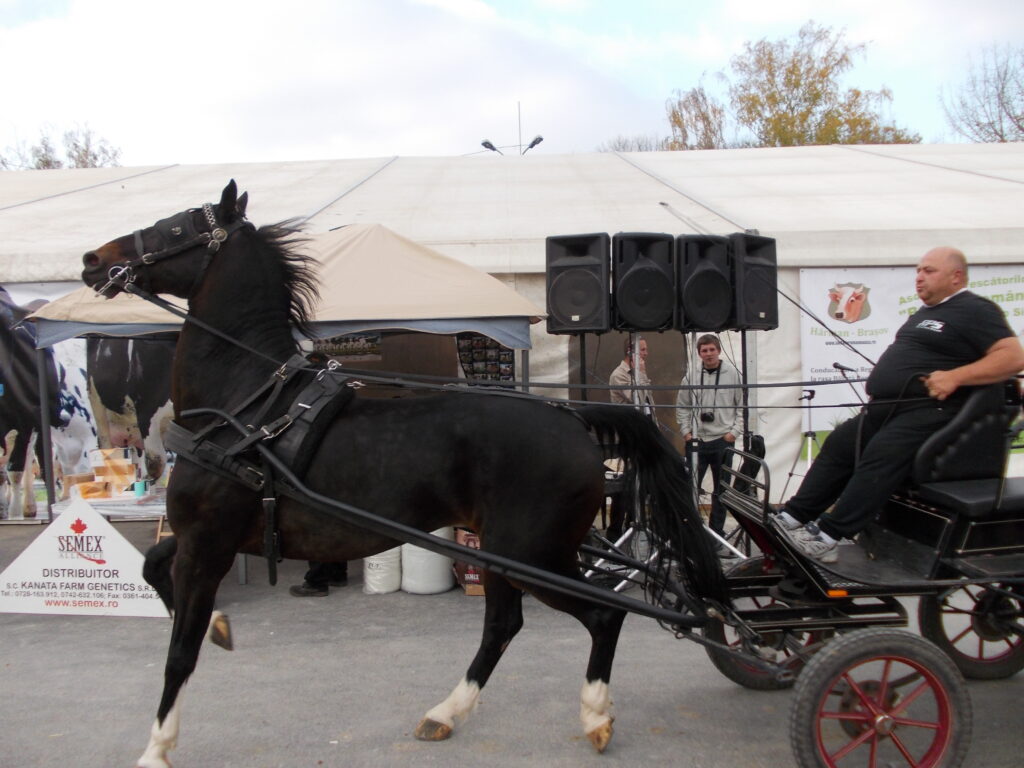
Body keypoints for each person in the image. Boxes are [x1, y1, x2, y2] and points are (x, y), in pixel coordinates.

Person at [774, 247, 1024, 563]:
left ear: (956, 276)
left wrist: (956, 376)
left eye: (929, 271)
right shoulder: (925, 313)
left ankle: (829, 536)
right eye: (918, 270)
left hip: (930, 410)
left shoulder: (975, 309)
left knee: (880, 456)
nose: (919, 277)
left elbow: (1013, 356)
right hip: (889, 407)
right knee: (840, 443)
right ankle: (792, 517)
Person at [675, 334, 742, 548]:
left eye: (712, 349)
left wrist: (733, 433)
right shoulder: (691, 375)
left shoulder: (733, 373)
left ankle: (716, 533)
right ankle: (691, 531)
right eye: (704, 350)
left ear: (719, 350)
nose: (709, 354)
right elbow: (682, 406)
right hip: (697, 440)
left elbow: (742, 406)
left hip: (723, 440)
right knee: (689, 489)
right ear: (699, 353)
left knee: (721, 491)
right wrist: (687, 432)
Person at [609, 337, 653, 414]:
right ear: (630, 351)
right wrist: (642, 373)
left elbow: (648, 397)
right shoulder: (618, 375)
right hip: (629, 423)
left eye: (646, 350)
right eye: (643, 350)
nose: (646, 353)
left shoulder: (636, 370)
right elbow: (639, 400)